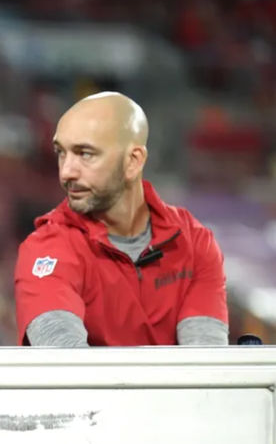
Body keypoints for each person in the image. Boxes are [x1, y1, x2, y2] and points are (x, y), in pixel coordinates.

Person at [14, 91, 228, 347]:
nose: (66, 172)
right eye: (62, 152)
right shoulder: (46, 249)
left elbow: (206, 367)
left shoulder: (194, 243)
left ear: (133, 161)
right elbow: (68, 372)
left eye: (85, 154)